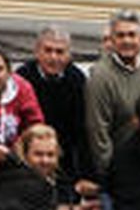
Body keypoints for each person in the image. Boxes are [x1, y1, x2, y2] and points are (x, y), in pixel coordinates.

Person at [85, 9, 140, 174]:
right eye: (120, 35)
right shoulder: (100, 77)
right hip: (122, 166)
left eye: (132, 35)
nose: (126, 41)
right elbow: (98, 131)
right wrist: (110, 172)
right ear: (112, 39)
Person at [16, 27, 89, 186]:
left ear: (69, 55)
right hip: (28, 159)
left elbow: (81, 129)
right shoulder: (22, 77)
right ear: (37, 52)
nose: (53, 57)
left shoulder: (77, 80)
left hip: (64, 159)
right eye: (48, 50)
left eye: (59, 52)